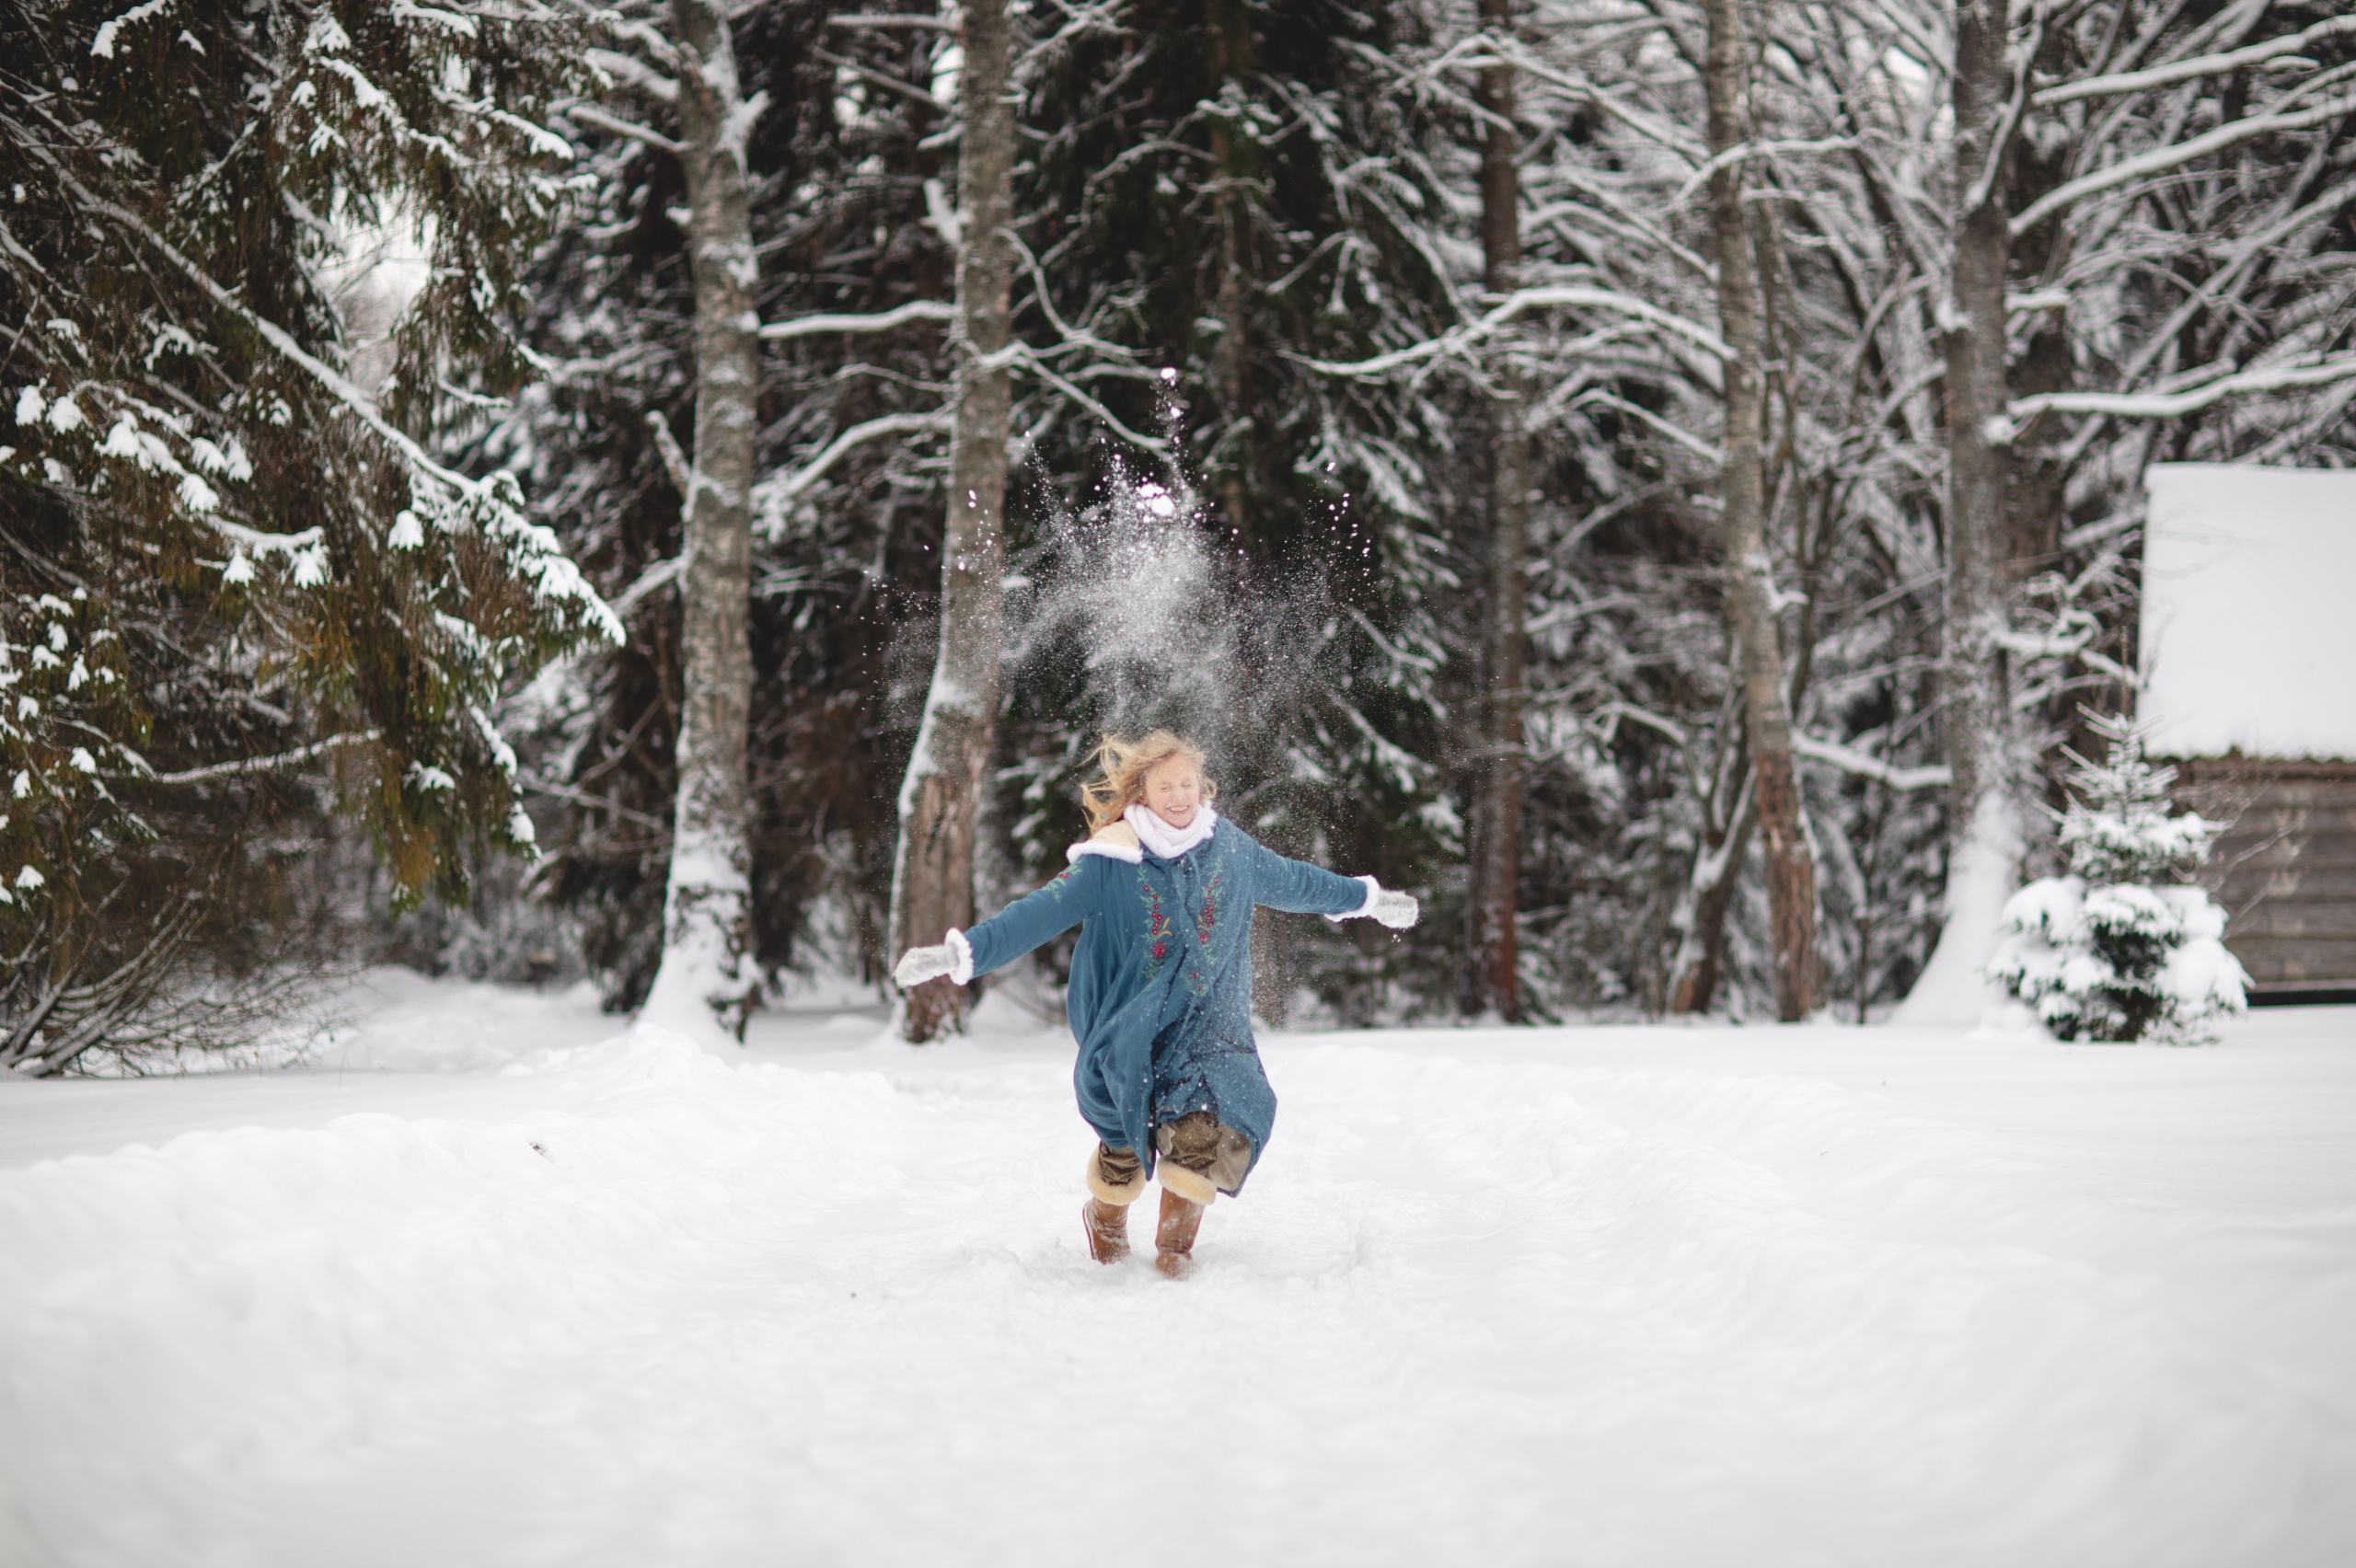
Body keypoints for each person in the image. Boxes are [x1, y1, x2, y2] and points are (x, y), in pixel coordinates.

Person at [894, 730, 1418, 1278]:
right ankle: (1105, 1219)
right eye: (1165, 786)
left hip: (1207, 1030)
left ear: (1201, 786)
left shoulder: (1230, 850)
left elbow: (1296, 881)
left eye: (1187, 783)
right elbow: (1036, 913)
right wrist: (962, 953)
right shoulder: (1109, 861)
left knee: (1204, 1128)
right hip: (1131, 1033)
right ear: (1141, 792)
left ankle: (1175, 1246)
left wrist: (1368, 899)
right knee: (1122, 1147)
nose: (1178, 795)